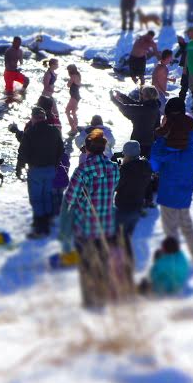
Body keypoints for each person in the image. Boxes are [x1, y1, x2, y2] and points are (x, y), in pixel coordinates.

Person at [61, 130, 129, 308]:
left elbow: (70, 198)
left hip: (86, 224)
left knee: (87, 264)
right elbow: (114, 187)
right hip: (107, 222)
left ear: (88, 150)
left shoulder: (83, 169)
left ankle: (91, 300)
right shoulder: (114, 167)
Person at [150, 98, 193, 264]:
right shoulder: (190, 140)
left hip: (168, 190)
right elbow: (188, 144)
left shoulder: (165, 148)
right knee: (186, 222)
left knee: (170, 226)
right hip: (186, 188)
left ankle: (172, 256)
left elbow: (154, 165)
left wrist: (161, 139)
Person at [16, 106, 64, 239]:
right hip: (50, 169)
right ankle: (47, 221)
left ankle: (39, 224)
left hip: (35, 169)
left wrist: (19, 167)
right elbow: (61, 149)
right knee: (47, 194)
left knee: (36, 197)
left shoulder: (30, 132)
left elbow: (22, 152)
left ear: (33, 118)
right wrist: (55, 164)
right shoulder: (54, 131)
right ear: (44, 118)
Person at [114, 140, 152, 238]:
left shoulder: (125, 170)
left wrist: (118, 169)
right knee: (128, 234)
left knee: (120, 236)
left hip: (124, 207)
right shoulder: (146, 165)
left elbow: (115, 186)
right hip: (137, 206)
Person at [112, 86, 160, 158]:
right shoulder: (154, 106)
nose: (140, 95)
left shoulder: (145, 109)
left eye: (141, 94)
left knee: (134, 162)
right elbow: (135, 104)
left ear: (146, 96)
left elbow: (127, 109)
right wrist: (122, 96)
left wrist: (113, 100)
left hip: (139, 140)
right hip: (149, 140)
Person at [65, 64, 82, 133]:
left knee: (67, 111)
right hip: (76, 95)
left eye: (68, 70)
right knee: (73, 112)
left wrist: (69, 80)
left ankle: (73, 128)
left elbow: (68, 85)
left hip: (74, 96)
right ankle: (75, 127)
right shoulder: (78, 75)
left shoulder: (73, 76)